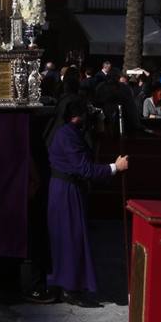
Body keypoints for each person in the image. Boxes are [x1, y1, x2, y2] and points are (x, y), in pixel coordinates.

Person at [44, 97, 128, 306]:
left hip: (65, 189)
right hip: (66, 191)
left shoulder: (68, 132)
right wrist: (115, 167)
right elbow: (85, 169)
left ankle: (69, 284)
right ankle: (68, 286)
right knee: (71, 238)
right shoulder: (68, 136)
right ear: (79, 116)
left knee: (70, 237)